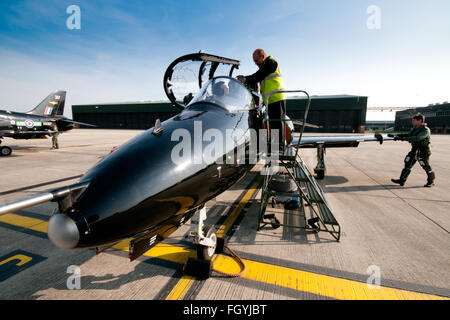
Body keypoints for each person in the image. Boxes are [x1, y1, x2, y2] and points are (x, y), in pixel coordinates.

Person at [237, 49, 286, 150]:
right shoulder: (264, 66)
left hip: (277, 97)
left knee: (277, 122)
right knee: (272, 123)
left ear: (263, 56)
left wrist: (245, 79)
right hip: (270, 99)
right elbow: (256, 76)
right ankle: (275, 146)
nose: (255, 63)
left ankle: (279, 147)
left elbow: (258, 76)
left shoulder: (271, 63)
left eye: (256, 60)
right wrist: (245, 79)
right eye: (254, 61)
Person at [390, 113, 435, 187]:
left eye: (414, 120)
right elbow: (409, 135)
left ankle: (431, 181)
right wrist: (397, 135)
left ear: (420, 120)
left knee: (425, 166)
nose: (412, 122)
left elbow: (417, 138)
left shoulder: (425, 130)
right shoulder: (414, 128)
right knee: (408, 164)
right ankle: (402, 180)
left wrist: (402, 139)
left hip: (423, 151)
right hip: (414, 149)